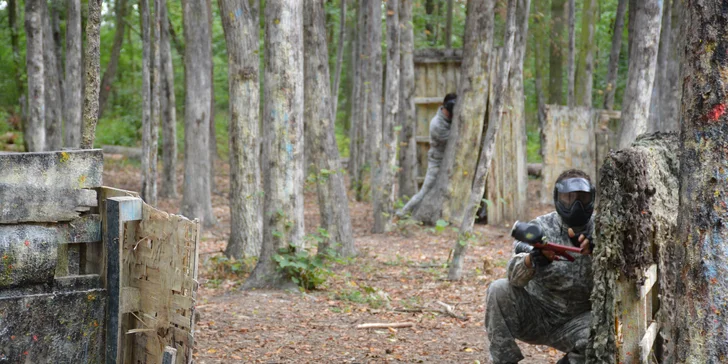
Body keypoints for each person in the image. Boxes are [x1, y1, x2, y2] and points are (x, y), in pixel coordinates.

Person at [485, 169, 596, 364]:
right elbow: (514, 278)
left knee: (602, 333)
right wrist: (533, 259)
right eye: (569, 198)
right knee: (498, 289)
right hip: (536, 314)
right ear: (557, 197)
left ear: (592, 197)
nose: (576, 205)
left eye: (583, 198)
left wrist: (600, 250)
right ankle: (503, 360)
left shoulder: (604, 228)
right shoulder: (541, 227)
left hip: (579, 321)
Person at [397, 93, 457, 217]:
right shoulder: (437, 124)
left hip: (451, 160)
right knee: (425, 191)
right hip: (438, 161)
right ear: (445, 107)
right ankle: (403, 213)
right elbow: (455, 140)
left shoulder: (451, 120)